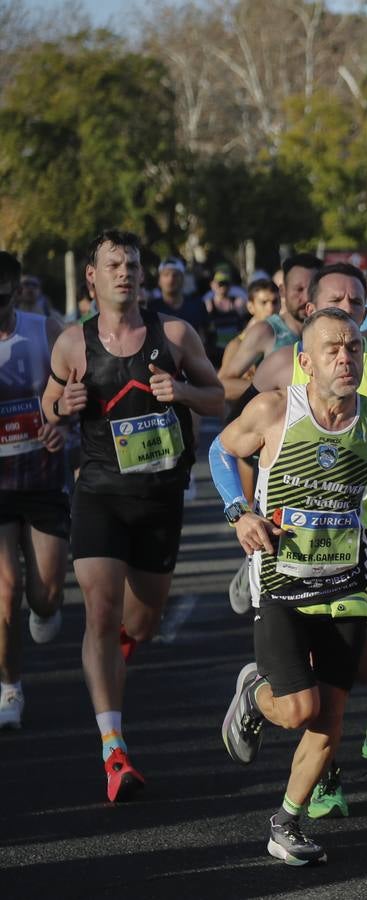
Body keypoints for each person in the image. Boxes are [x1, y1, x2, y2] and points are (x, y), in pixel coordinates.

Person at [215, 307, 367, 865]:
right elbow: (222, 450)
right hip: (282, 580)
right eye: (332, 350)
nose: (345, 358)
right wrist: (241, 512)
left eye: (354, 349)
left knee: (332, 716)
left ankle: (286, 823)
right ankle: (254, 693)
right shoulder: (273, 411)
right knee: (297, 710)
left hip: (345, 581)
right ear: (305, 362)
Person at [42, 229, 224, 800]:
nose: (126, 272)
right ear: (92, 276)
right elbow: (50, 404)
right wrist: (62, 407)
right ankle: (113, 749)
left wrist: (183, 393)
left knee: (139, 623)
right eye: (113, 264)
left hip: (159, 498)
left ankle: (114, 654)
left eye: (133, 264)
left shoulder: (174, 333)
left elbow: (218, 396)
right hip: (98, 491)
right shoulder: (73, 344)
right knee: (98, 610)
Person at [0, 251, 69, 730]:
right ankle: (10, 688)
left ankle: (44, 607)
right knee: (6, 591)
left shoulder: (46, 329)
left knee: (44, 597)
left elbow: (78, 393)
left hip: (42, 477)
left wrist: (64, 425)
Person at [217, 254, 320, 400]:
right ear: (283, 291)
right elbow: (222, 385)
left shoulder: (329, 332)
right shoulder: (266, 331)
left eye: (312, 289)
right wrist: (272, 385)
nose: (306, 297)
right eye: (298, 289)